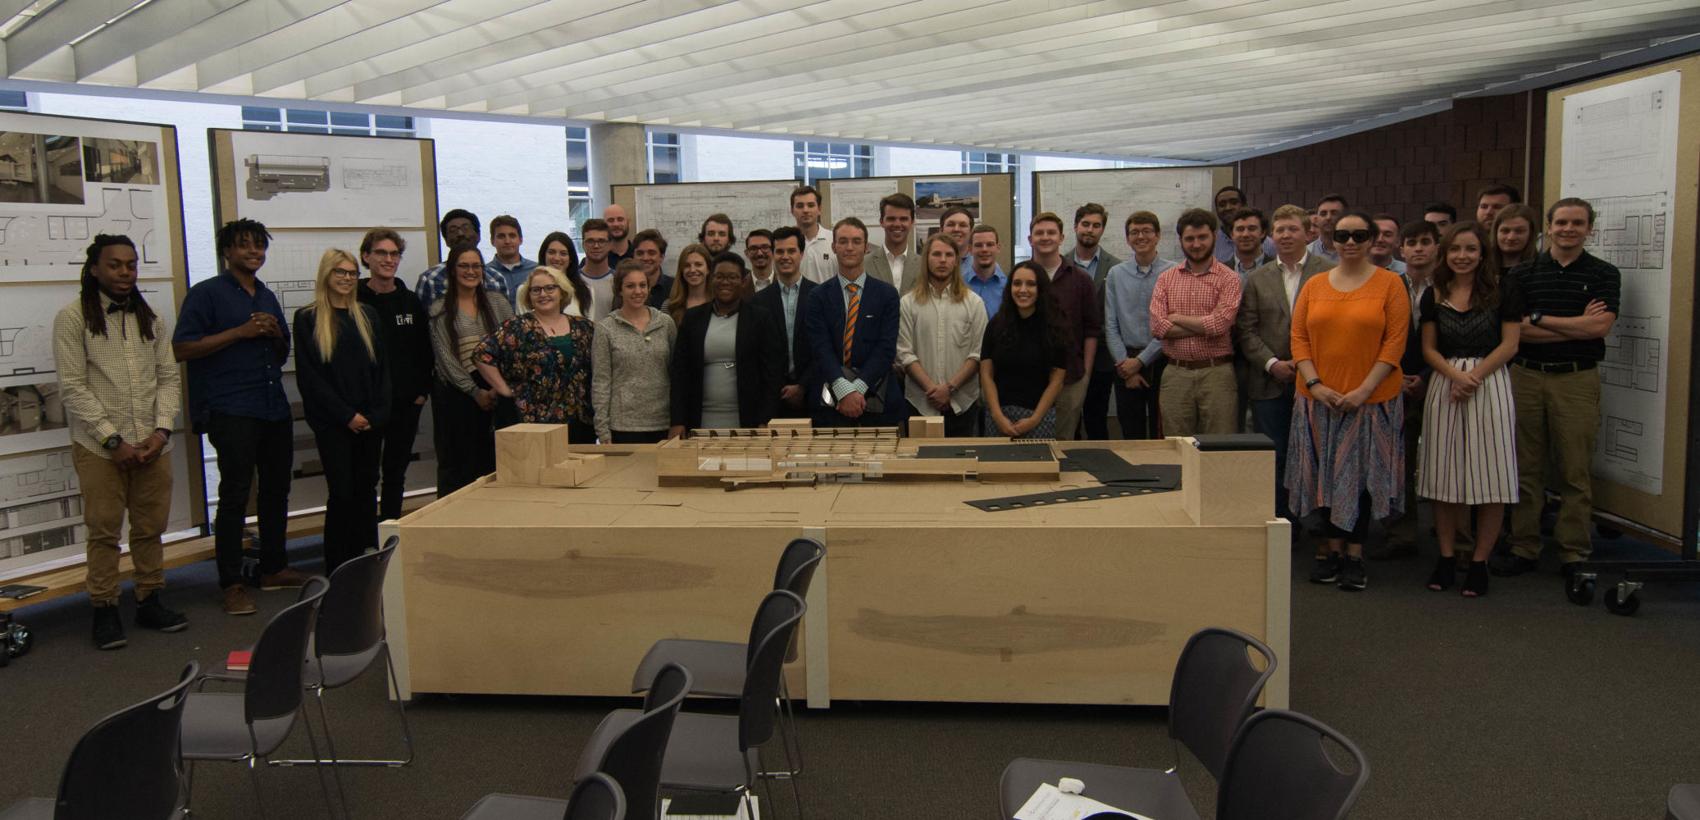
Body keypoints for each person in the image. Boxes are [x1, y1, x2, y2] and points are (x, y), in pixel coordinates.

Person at [54, 234, 186, 648]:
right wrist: (113, 440)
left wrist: (161, 430)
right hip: (100, 448)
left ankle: (149, 598)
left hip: (151, 444)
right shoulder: (74, 318)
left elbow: (168, 377)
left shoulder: (152, 318)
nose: (125, 272)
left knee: (150, 527)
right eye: (115, 265)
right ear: (95, 268)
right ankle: (105, 608)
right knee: (104, 531)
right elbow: (73, 388)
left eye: (130, 264)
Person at [174, 219, 308, 616]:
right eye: (245, 246)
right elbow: (182, 348)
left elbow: (282, 352)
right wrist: (239, 332)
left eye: (259, 246)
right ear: (227, 252)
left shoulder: (265, 295)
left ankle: (273, 567)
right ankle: (231, 583)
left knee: (276, 490)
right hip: (230, 408)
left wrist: (273, 334)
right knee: (233, 495)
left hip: (271, 407)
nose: (254, 252)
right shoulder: (206, 294)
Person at [1494, 198, 1619, 577]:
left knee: (1574, 470)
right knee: (1525, 467)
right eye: (1561, 222)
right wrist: (1573, 324)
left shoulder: (1603, 273)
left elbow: (1599, 328)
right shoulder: (1523, 275)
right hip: (1526, 376)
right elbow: (1516, 331)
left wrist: (1540, 319)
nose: (1568, 229)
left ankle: (1573, 553)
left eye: (1577, 223)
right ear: (1548, 227)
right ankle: (1525, 547)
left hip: (1577, 379)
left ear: (1589, 229)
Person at [1288, 211, 1410, 593]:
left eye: (1360, 235)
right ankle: (1330, 551)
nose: (1351, 242)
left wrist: (1362, 392)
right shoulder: (1314, 285)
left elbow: (1394, 344)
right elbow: (1299, 339)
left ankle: (1355, 555)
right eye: (1343, 235)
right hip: (1316, 400)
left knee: (1356, 482)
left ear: (1373, 239)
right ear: (1332, 239)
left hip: (1371, 403)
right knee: (1322, 478)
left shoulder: (1391, 285)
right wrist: (1316, 384)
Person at [1417, 222, 1523, 598]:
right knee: (1443, 477)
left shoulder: (1502, 291)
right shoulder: (1434, 294)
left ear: (1482, 254)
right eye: (1455, 250)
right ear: (1445, 254)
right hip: (1445, 385)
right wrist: (1454, 376)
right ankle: (1446, 557)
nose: (1463, 256)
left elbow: (1510, 344)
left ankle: (1479, 562)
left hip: (1488, 383)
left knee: (1491, 477)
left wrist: (1473, 376)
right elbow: (1428, 348)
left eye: (1471, 249)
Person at [294, 249, 389, 576]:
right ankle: (338, 564)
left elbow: (381, 370)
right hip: (334, 423)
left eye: (351, 273)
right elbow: (311, 378)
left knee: (367, 488)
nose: (347, 278)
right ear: (326, 275)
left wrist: (376, 415)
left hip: (370, 422)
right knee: (342, 492)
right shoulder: (307, 318)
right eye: (340, 272)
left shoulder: (368, 315)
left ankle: (366, 558)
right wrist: (346, 415)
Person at [1237, 205, 1328, 523]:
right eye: (1280, 230)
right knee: (1274, 456)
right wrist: (1272, 362)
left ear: (1308, 233)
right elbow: (1246, 330)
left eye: (1293, 229)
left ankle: (1318, 524)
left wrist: (1308, 367)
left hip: (1318, 380)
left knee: (1315, 453)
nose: (1286, 235)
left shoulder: (1328, 272)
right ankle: (1281, 522)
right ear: (1271, 236)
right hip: (1270, 381)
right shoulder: (1256, 278)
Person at [1374, 219, 1443, 560]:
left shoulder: (1450, 287)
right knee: (1398, 460)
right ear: (1401, 250)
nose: (1418, 248)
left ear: (1436, 247)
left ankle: (1451, 535)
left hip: (1442, 380)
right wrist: (1396, 377)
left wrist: (1428, 376)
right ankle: (1400, 532)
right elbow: (1378, 338)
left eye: (1425, 242)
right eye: (1412, 243)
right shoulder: (1390, 285)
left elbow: (1458, 340)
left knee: (1444, 458)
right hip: (1393, 380)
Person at [357, 229, 431, 524]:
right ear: (366, 256)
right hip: (367, 407)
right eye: (381, 253)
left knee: (395, 473)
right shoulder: (354, 300)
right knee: (365, 476)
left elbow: (423, 350)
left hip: (405, 404)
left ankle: (389, 533)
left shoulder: (410, 301)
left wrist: (421, 392)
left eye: (394, 254)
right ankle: (363, 537)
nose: (389, 260)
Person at [429, 243, 515, 495]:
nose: (470, 271)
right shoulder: (440, 309)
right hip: (459, 399)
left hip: (498, 393)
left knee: (494, 466)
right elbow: (445, 358)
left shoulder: (497, 303)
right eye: (464, 266)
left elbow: (511, 345)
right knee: (459, 469)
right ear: (452, 271)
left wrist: (496, 389)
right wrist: (475, 392)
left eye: (476, 266)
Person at [476, 267, 597, 444]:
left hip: (580, 421)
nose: (543, 294)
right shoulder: (517, 327)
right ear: (528, 295)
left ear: (562, 292)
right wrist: (504, 390)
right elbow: (482, 354)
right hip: (534, 424)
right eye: (536, 290)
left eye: (550, 288)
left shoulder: (584, 327)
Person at [669, 252, 784, 435]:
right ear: (711, 279)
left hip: (749, 420)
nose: (725, 282)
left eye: (732, 277)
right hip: (699, 419)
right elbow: (680, 373)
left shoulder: (760, 318)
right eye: (719, 276)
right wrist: (677, 420)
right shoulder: (693, 318)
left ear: (743, 281)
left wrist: (765, 420)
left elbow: (772, 375)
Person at [1149, 209, 1241, 437]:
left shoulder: (1229, 278)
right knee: (1176, 445)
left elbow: (1220, 324)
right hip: (1175, 373)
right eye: (1189, 239)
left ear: (1214, 237)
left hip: (1216, 373)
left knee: (1219, 446)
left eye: (1202, 237)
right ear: (1181, 241)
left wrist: (1177, 318)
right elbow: (1158, 327)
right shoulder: (1166, 278)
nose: (1196, 244)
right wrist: (1203, 326)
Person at [803, 217, 902, 428]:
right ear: (834, 246)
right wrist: (843, 390)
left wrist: (857, 389)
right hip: (830, 401)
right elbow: (820, 348)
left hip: (877, 397)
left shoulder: (887, 295)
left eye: (856, 242)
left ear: (866, 248)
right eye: (843, 241)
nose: (849, 247)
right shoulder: (817, 296)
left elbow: (886, 348)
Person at [898, 233, 989, 437]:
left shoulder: (974, 303)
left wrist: (949, 388)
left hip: (962, 403)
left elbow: (978, 353)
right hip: (920, 402)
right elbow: (904, 353)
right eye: (936, 254)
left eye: (949, 255)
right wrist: (933, 390)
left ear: (956, 261)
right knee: (921, 465)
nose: (942, 260)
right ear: (926, 259)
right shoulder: (908, 303)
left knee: (961, 464)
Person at [1028, 212, 1098, 440]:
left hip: (1070, 379)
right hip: (1031, 378)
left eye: (1051, 232)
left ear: (1061, 238)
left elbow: (1091, 331)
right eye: (1039, 233)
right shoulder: (1021, 278)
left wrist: (1085, 375)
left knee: (1064, 444)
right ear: (1030, 239)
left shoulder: (1080, 279)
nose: (1045, 237)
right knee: (1030, 443)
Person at [1105, 211, 1175, 440]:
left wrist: (1141, 361)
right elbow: (1111, 325)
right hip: (1124, 363)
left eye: (1146, 231)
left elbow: (1170, 325)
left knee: (1161, 432)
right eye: (1134, 232)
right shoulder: (1116, 274)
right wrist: (1127, 367)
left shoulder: (1174, 273)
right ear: (1127, 239)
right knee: (1130, 432)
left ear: (1157, 236)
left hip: (1162, 361)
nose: (1140, 236)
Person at [592, 260, 678, 443]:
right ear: (620, 290)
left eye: (642, 285)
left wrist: (677, 421)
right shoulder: (605, 328)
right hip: (622, 425)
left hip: (662, 422)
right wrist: (602, 428)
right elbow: (601, 381)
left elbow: (676, 375)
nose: (638, 291)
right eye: (630, 286)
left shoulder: (665, 323)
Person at [979, 261, 1067, 439]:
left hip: (1038, 418)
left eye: (1031, 284)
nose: (1023, 289)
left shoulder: (1055, 327)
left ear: (1041, 288)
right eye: (1017, 283)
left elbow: (1056, 381)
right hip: (999, 417)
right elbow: (986, 375)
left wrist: (1034, 419)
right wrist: (997, 415)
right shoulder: (996, 325)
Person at [1070, 204, 1123, 441]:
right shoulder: (1060, 264)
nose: (1090, 230)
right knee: (1069, 419)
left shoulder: (1116, 268)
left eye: (1096, 225)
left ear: (1102, 230)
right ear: (1075, 227)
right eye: (1085, 224)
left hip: (1102, 356)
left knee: (1096, 418)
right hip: (1067, 354)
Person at [756, 226, 817, 419]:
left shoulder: (820, 296)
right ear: (773, 255)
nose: (785, 256)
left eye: (791, 251)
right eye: (779, 251)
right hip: (772, 399)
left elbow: (825, 347)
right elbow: (758, 354)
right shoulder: (758, 302)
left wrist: (803, 386)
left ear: (802, 253)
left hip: (814, 395)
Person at [415, 209, 504, 309]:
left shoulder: (496, 279)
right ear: (446, 241)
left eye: (466, 228)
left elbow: (506, 320)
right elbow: (421, 321)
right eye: (453, 230)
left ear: (478, 236)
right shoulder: (430, 279)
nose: (460, 233)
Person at [865, 193, 917, 291]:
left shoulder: (924, 265)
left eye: (903, 219)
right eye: (891, 219)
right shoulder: (864, 264)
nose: (897, 224)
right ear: (881, 221)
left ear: (912, 222)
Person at [536, 231, 593, 317]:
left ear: (570, 259)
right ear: (543, 255)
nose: (557, 258)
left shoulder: (586, 291)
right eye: (551, 252)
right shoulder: (527, 291)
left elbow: (590, 327)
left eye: (563, 253)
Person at [1213, 186, 1276, 263]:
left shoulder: (1270, 245)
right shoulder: (1211, 245)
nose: (1228, 208)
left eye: (1234, 202)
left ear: (1244, 205)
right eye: (1222, 205)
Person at [486, 214, 538, 305]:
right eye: (501, 236)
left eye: (512, 236)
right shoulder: (485, 273)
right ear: (492, 241)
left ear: (520, 240)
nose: (507, 241)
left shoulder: (537, 270)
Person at [792, 185, 836, 283]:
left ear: (819, 209)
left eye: (811, 205)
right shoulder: (786, 243)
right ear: (792, 210)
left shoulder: (834, 240)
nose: (805, 210)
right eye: (800, 206)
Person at [665, 243, 713, 326]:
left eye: (698, 264)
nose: (692, 270)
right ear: (681, 270)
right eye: (687, 265)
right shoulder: (669, 305)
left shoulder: (719, 304)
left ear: (708, 269)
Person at [965, 224, 1007, 318]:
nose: (984, 249)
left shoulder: (1009, 286)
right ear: (970, 249)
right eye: (979, 245)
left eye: (990, 244)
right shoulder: (959, 284)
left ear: (998, 248)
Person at [579, 218, 617, 321]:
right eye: (590, 241)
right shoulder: (573, 281)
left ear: (610, 245)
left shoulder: (618, 281)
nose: (596, 246)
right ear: (583, 245)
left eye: (601, 241)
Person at [630, 228, 673, 309]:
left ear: (661, 257)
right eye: (640, 253)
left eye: (651, 253)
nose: (645, 258)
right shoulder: (625, 288)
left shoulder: (675, 288)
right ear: (633, 256)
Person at [1227, 207, 1273, 279]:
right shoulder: (1218, 271)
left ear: (1263, 233)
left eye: (1252, 229)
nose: (1245, 234)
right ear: (1232, 234)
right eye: (1240, 229)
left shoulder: (1279, 270)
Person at [1492, 203, 1540, 270]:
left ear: (1531, 233)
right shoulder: (1481, 268)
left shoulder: (1542, 269)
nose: (1511, 237)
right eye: (1505, 231)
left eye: (1519, 231)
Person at [1306, 194, 1347, 262]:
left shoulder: (1356, 251)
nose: (1328, 217)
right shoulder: (1306, 254)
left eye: (1334, 213)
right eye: (1323, 213)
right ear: (1317, 218)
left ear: (1345, 217)